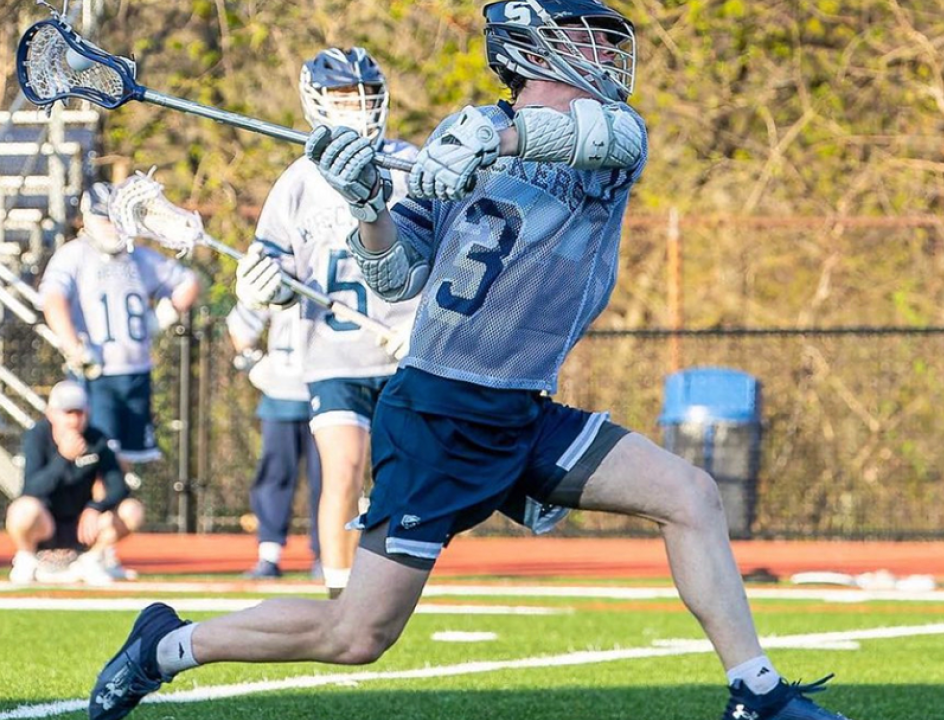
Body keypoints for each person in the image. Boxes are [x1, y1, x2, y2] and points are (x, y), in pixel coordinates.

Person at [87, 4, 851, 720]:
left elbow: (610, 140)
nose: (604, 51)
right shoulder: (458, 141)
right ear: (532, 48)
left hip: (522, 406)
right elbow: (395, 276)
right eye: (586, 36)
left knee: (689, 494)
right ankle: (165, 645)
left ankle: (756, 694)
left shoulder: (595, 136)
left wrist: (500, 140)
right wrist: (367, 205)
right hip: (441, 415)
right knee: (356, 636)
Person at [232, 47, 419, 597]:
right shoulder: (299, 178)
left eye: (365, 97)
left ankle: (388, 585)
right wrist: (260, 286)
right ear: (316, 104)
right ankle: (340, 593)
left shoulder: (409, 165)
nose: (358, 109)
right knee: (342, 470)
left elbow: (446, 256)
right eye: (343, 99)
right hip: (333, 356)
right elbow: (270, 266)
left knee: (401, 478)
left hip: (403, 351)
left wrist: (427, 321)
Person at [40, 181, 200, 466]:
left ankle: (116, 507)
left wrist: (162, 316)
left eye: (117, 219)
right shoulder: (75, 255)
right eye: (105, 218)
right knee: (98, 460)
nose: (112, 227)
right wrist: (72, 345)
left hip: (136, 372)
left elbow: (188, 282)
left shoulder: (140, 258)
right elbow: (52, 299)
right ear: (88, 219)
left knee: (127, 461)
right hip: (97, 373)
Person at [6, 380, 144, 585]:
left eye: (79, 413)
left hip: (84, 528)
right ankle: (26, 558)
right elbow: (31, 488)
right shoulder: (37, 436)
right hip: (46, 525)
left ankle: (91, 559)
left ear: (87, 413)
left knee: (132, 510)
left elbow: (118, 486)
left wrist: (95, 507)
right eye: (66, 413)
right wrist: (63, 458)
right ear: (52, 413)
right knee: (21, 510)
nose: (73, 420)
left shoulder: (96, 439)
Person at [227, 291, 322, 578]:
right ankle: (269, 554)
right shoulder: (280, 266)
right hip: (281, 393)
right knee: (275, 474)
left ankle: (328, 554)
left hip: (330, 391)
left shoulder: (335, 266)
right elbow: (241, 322)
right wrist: (251, 360)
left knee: (330, 479)